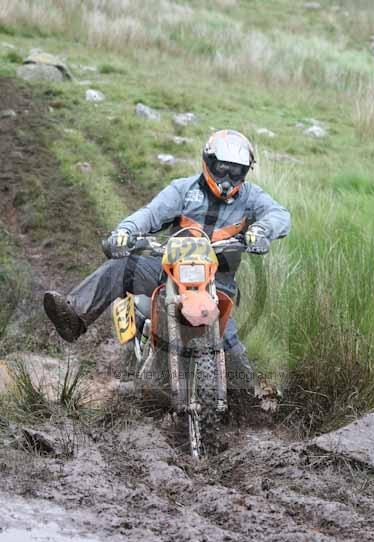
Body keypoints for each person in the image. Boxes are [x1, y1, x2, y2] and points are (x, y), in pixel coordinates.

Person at [44, 129, 290, 394]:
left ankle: (245, 407)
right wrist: (125, 232)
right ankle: (74, 317)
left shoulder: (251, 197)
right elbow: (150, 214)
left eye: (236, 171)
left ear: (245, 172)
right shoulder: (183, 190)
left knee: (236, 362)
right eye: (222, 168)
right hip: (170, 274)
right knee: (121, 267)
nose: (228, 178)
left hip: (218, 285)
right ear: (208, 162)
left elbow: (280, 215)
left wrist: (261, 230)